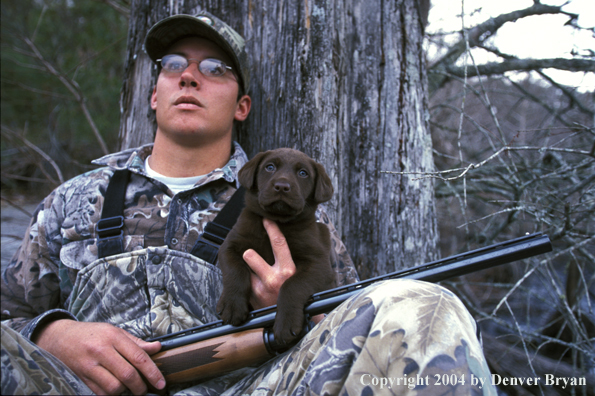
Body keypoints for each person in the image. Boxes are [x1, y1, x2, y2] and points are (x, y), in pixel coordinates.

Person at [1, 11, 496, 396]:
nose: (189, 77)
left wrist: (298, 311)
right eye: (173, 65)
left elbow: (349, 331)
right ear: (154, 95)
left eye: (214, 68)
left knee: (424, 305)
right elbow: (10, 312)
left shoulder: (300, 218)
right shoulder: (73, 200)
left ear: (242, 106)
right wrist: (51, 334)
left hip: (253, 386)